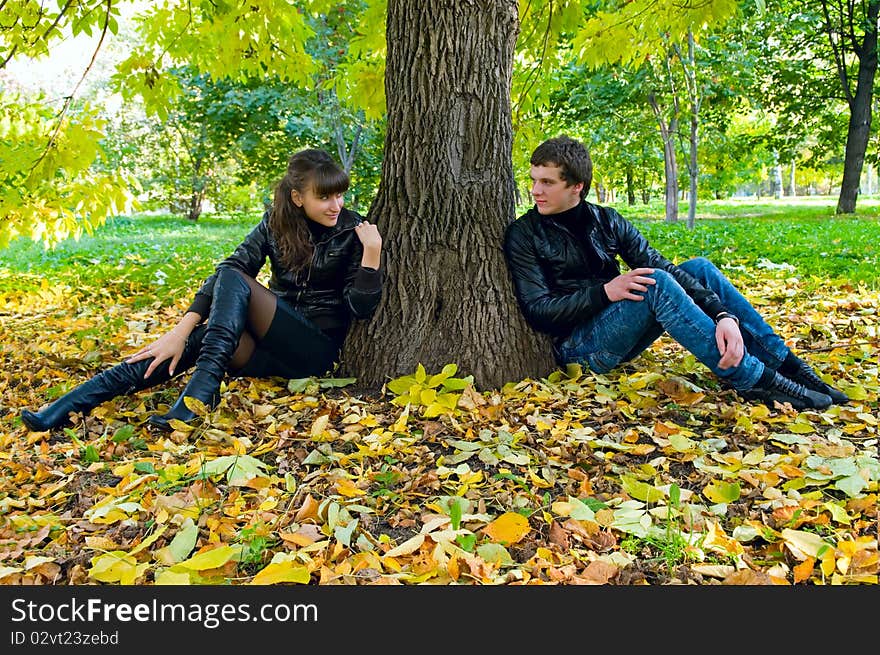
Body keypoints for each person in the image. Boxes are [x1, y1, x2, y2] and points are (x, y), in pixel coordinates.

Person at [21, 148, 384, 433]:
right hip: (268, 352)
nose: (336, 205)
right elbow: (232, 269)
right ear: (297, 197)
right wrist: (179, 332)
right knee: (192, 338)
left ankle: (202, 387)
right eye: (325, 197)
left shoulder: (354, 230)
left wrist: (371, 253)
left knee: (231, 279)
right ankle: (65, 408)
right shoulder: (274, 224)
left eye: (339, 195)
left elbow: (361, 308)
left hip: (314, 350)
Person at [503, 135, 848, 411]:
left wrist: (723, 314)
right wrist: (606, 292)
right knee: (657, 284)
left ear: (576, 186)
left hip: (618, 329)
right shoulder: (525, 233)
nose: (535, 191)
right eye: (534, 181)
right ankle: (752, 378)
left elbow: (662, 264)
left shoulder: (606, 220)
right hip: (579, 348)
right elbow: (539, 310)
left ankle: (791, 368)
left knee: (698, 268)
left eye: (547, 182)